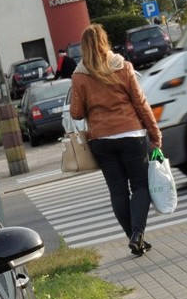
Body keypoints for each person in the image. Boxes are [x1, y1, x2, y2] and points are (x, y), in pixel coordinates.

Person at [69, 24, 163, 256]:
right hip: (131, 135)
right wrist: (155, 132)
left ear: (84, 47)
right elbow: (140, 103)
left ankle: (135, 239)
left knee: (118, 191)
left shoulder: (80, 75)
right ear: (105, 42)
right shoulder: (123, 66)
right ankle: (138, 234)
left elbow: (76, 113)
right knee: (141, 186)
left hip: (101, 140)